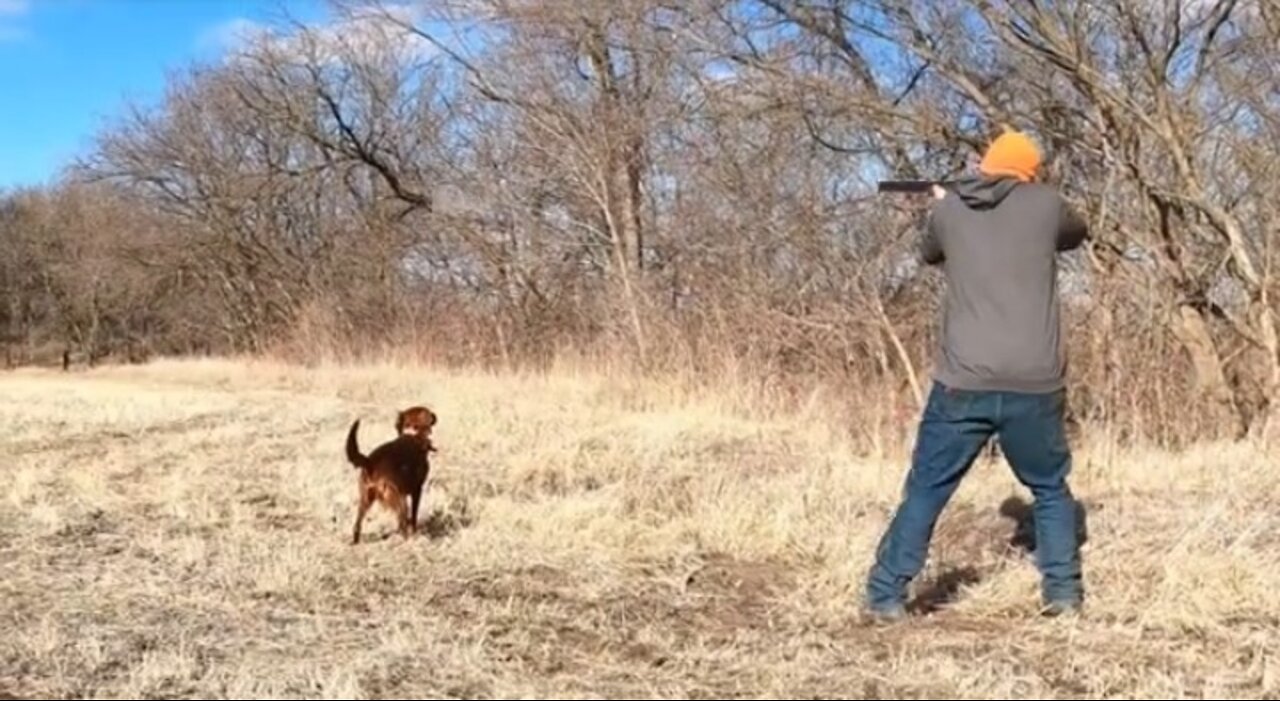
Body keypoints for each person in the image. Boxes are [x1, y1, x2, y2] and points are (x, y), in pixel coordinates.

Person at [863, 129, 1088, 621]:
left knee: (926, 488)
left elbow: (929, 254)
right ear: (1030, 171)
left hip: (963, 382)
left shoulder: (949, 210)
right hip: (1036, 382)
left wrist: (948, 202)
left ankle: (884, 596)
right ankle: (1064, 595)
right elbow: (1076, 233)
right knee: (1050, 489)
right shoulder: (1048, 205)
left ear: (985, 165)